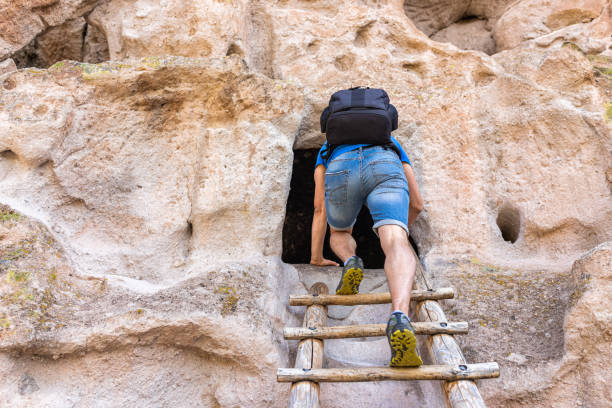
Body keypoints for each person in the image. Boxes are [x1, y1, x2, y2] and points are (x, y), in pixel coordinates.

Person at [309, 136, 424, 367]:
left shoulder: (328, 146)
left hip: (340, 168)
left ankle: (350, 260)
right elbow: (417, 204)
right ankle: (400, 316)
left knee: (339, 232)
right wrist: (401, 230)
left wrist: (316, 257)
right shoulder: (390, 141)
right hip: (384, 165)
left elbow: (319, 207)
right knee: (395, 240)